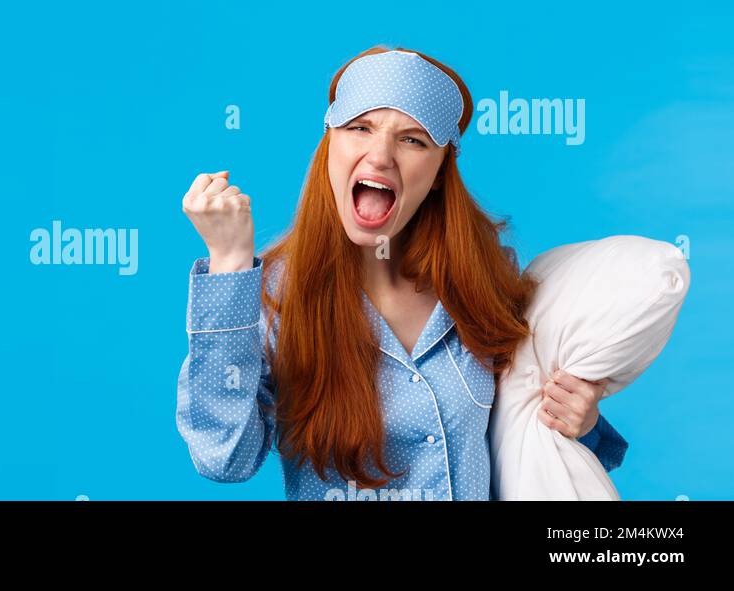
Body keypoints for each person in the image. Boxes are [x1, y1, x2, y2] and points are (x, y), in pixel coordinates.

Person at [175, 46, 627, 500]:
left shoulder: (483, 279)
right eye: (360, 128)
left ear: (438, 171)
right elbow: (224, 457)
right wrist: (229, 263)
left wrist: (581, 421)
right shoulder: (274, 298)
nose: (380, 156)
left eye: (412, 139)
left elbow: (533, 433)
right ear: (330, 142)